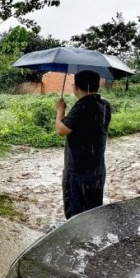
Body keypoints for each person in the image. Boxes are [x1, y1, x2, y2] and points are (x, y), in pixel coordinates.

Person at [54, 70, 112, 219]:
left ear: (75, 87)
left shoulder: (81, 107)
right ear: (97, 86)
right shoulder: (105, 105)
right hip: (97, 171)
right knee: (93, 213)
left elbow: (61, 130)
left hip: (78, 173)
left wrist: (60, 110)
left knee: (75, 217)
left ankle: (78, 241)